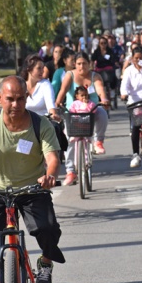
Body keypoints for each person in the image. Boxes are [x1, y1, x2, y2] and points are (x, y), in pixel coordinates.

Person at [0, 76, 65, 283]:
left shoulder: (40, 124)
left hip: (33, 188)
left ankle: (45, 263)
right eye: (9, 99)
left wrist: (49, 175)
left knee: (47, 228)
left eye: (20, 99)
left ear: (27, 98)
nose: (15, 104)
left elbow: (52, 159)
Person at [56, 52, 110, 185]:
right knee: (68, 139)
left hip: (91, 111)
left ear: (89, 63)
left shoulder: (94, 76)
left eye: (84, 63)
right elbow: (62, 91)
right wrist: (57, 104)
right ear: (74, 64)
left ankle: (99, 141)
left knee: (102, 113)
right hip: (73, 112)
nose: (82, 67)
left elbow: (100, 89)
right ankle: (70, 171)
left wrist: (103, 99)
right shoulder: (70, 75)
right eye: (79, 64)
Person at [91, 36, 119, 100]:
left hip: (109, 69)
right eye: (101, 43)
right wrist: (91, 66)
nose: (103, 45)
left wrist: (116, 63)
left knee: (114, 77)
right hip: (99, 69)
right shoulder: (97, 52)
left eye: (104, 43)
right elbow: (92, 59)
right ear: (99, 44)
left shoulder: (110, 51)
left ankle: (112, 90)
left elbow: (114, 59)